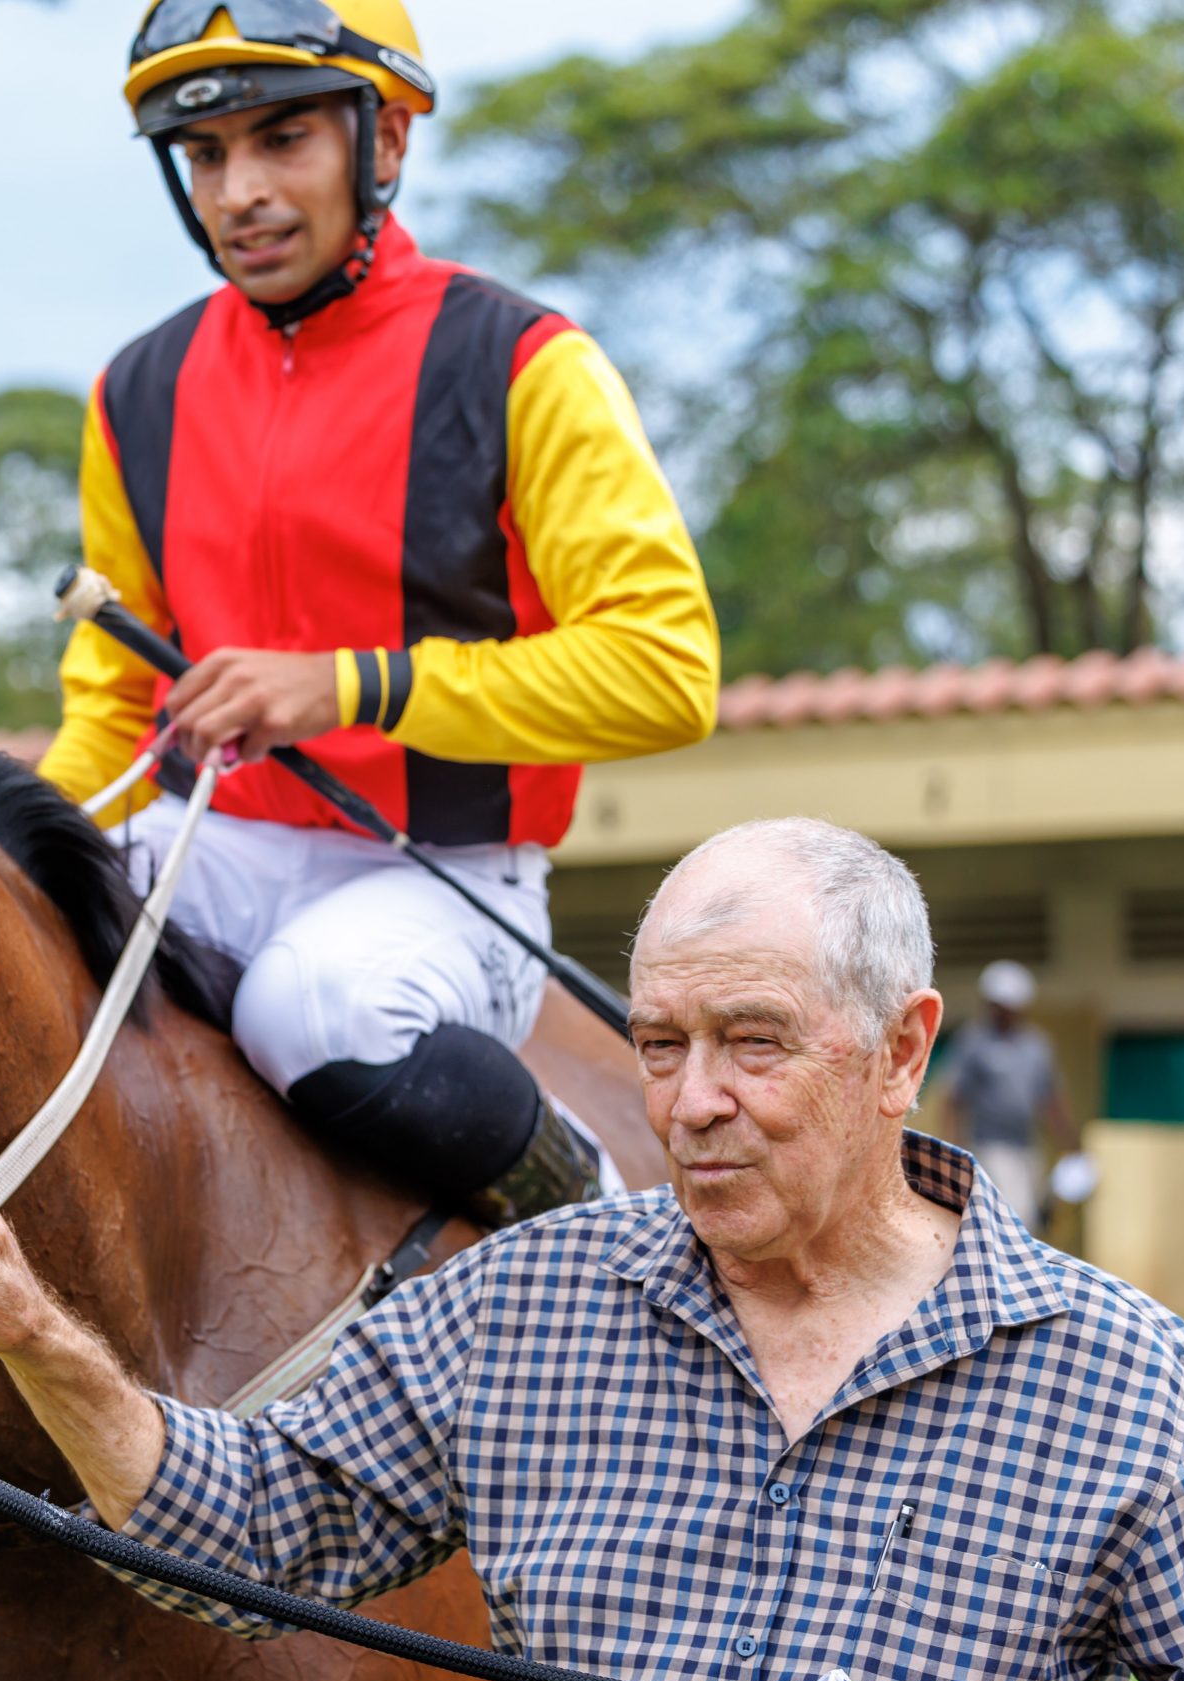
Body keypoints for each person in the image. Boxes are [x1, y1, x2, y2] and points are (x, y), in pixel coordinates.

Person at [0, 817, 1184, 1681]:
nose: (690, 1100)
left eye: (755, 1040)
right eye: (661, 1044)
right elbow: (263, 1527)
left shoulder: (1112, 1368)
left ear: (905, 1051)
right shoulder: (522, 1302)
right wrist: (44, 1339)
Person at [36, 1, 720, 1226]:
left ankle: (610, 1218)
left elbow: (665, 672)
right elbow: (111, 712)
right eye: (205, 156)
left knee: (317, 1008)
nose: (238, 190)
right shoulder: (134, 389)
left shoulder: (525, 363)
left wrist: (348, 685)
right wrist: (37, 846)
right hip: (214, 847)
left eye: (282, 138)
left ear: (386, 140)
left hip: (447, 876)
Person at [938, 960, 1078, 1232]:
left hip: (1028, 1147)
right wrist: (955, 1149)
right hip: (991, 1147)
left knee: (1034, 1221)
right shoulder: (974, 1041)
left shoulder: (1037, 1046)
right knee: (1016, 1218)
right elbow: (954, 1098)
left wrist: (1071, 1145)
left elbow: (1051, 1098)